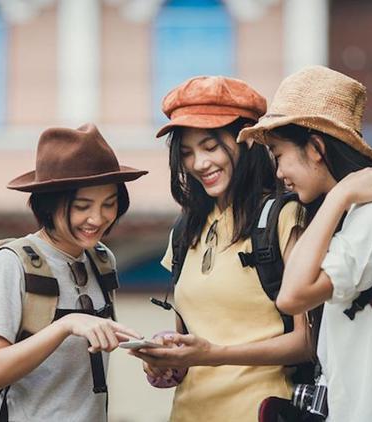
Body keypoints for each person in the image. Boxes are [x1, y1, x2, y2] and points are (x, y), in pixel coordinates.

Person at [237, 66, 372, 422]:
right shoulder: (348, 219)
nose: (277, 172)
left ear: (316, 147)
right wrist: (338, 201)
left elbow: (291, 297)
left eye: (279, 154)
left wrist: (339, 197)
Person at [130, 75, 312, 421]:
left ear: (247, 141)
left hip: (262, 412)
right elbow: (191, 340)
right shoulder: (185, 230)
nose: (199, 163)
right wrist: (166, 362)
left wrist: (214, 353)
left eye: (210, 146)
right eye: (187, 153)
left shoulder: (283, 216)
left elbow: (307, 343)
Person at [0, 123, 146, 421]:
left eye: (110, 204)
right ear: (50, 205)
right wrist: (65, 325)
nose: (98, 218)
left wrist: (150, 355)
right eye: (82, 206)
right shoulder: (12, 264)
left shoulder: (102, 260)